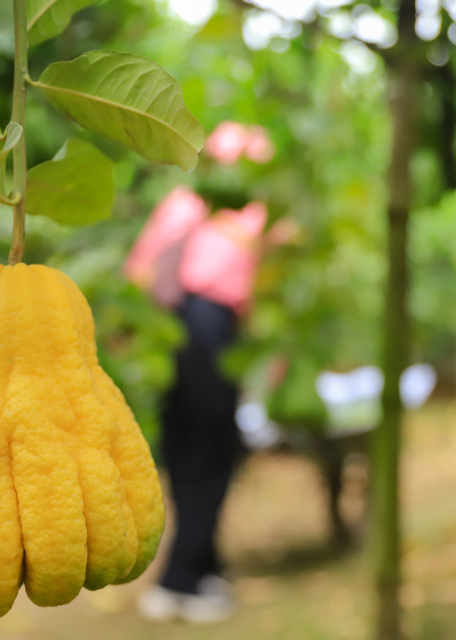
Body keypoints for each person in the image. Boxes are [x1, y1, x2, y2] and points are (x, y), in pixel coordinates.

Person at [124, 123, 285, 624]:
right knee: (213, 452)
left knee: (186, 449)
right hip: (212, 329)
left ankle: (205, 565)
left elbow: (138, 274)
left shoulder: (180, 203)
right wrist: (272, 363)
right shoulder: (256, 210)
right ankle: (179, 581)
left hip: (171, 336)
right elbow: (270, 287)